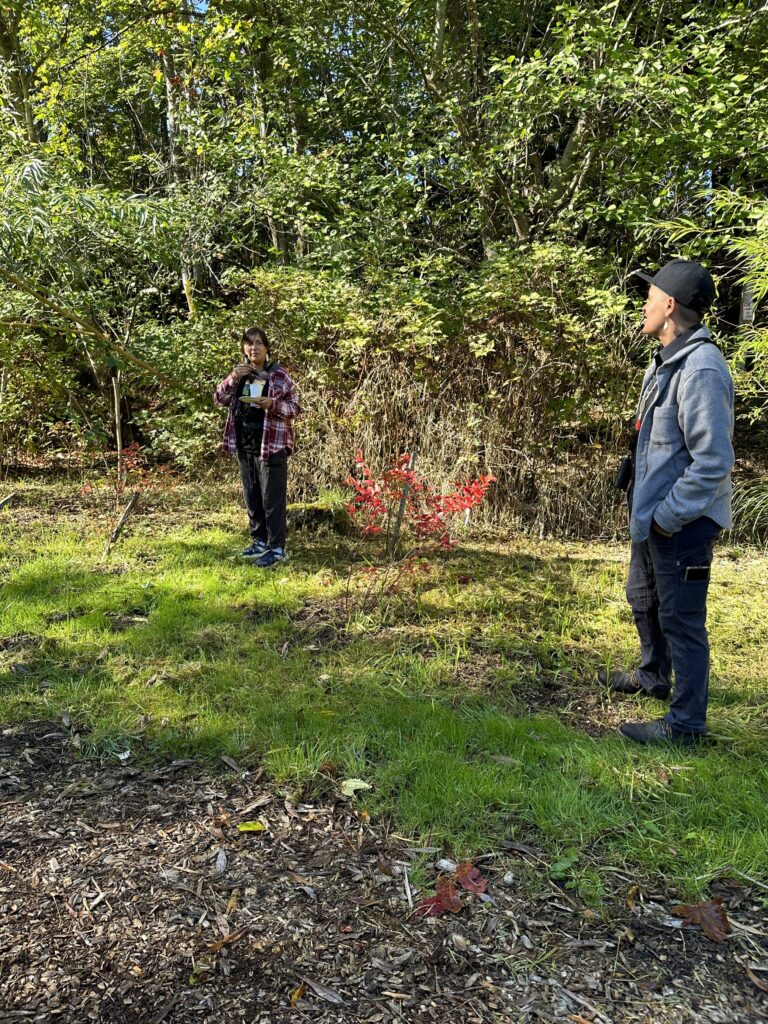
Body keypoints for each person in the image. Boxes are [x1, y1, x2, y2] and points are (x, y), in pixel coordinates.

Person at [600, 259, 735, 745]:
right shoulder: (665, 360)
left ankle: (686, 726)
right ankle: (653, 675)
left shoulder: (700, 368)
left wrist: (666, 517)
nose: (645, 306)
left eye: (650, 297)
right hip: (654, 517)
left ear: (670, 305)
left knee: (682, 620)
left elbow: (713, 461)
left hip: (681, 524)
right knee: (646, 601)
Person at [214, 327, 301, 568]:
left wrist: (272, 404)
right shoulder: (240, 374)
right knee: (251, 495)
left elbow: (295, 408)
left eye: (259, 343)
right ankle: (259, 542)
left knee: (271, 498)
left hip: (271, 444)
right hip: (244, 444)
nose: (254, 347)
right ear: (244, 348)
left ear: (267, 348)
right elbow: (219, 399)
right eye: (250, 343)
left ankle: (278, 548)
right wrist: (232, 377)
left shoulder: (279, 375)